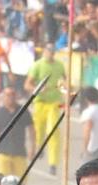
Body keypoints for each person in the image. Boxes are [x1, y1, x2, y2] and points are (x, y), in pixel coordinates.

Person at [25, 45, 67, 175]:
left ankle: (53, 163)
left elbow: (65, 81)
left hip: (54, 103)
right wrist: (37, 88)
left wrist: (65, 89)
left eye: (53, 52)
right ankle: (39, 148)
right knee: (38, 130)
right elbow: (27, 84)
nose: (51, 54)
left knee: (53, 132)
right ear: (44, 52)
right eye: (48, 51)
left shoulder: (59, 65)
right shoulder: (37, 65)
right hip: (40, 103)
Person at [0, 86, 32, 178]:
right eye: (7, 95)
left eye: (13, 94)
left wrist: (33, 148)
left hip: (19, 152)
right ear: (3, 97)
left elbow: (31, 129)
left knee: (20, 182)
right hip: (3, 153)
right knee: (2, 181)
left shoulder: (23, 111)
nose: (10, 97)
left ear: (16, 96)